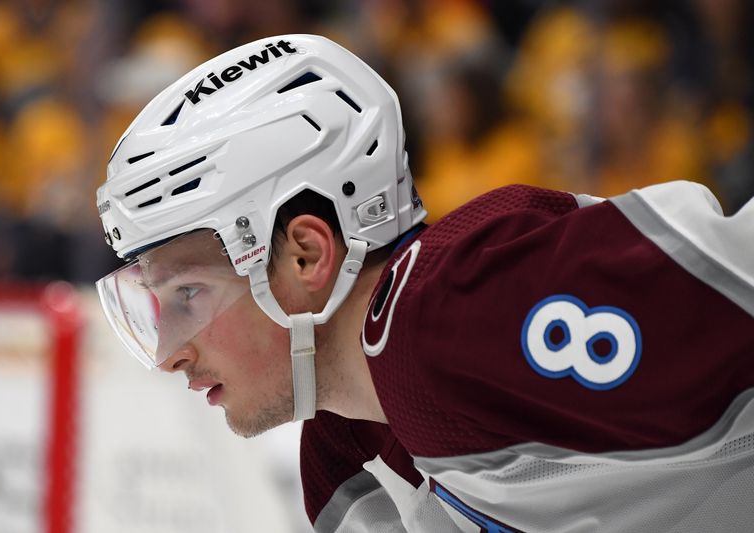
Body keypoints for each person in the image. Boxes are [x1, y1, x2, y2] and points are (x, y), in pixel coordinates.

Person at [95, 34, 754, 532]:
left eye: (187, 294)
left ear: (305, 256)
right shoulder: (342, 453)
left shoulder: (456, 309)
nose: (167, 352)